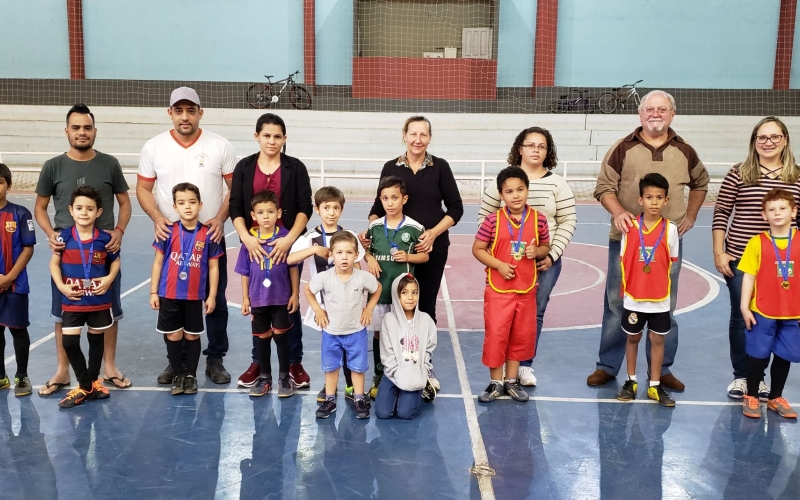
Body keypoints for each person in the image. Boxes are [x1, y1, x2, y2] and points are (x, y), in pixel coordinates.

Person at [589, 90, 710, 390]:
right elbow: (603, 187)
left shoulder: (685, 151)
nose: (655, 114)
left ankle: (662, 368)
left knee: (665, 302)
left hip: (666, 244)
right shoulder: (622, 148)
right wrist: (617, 211)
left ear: (673, 114)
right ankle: (608, 366)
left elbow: (701, 183)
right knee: (618, 303)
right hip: (626, 243)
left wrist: (691, 215)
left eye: (662, 109)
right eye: (649, 109)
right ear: (640, 114)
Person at [137, 87, 236, 385]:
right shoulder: (154, 147)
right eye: (178, 110)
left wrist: (219, 218)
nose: (184, 116)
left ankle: (215, 359)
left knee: (214, 301)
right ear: (170, 113)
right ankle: (176, 363)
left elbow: (235, 190)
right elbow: (143, 188)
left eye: (190, 110)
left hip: (210, 236)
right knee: (174, 302)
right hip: (174, 238)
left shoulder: (220, 146)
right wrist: (157, 217)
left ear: (200, 113)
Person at [35, 103, 132, 396]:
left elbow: (125, 203)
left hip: (103, 254)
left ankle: (110, 367)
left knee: (108, 312)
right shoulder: (53, 166)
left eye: (87, 127)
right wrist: (51, 234)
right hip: (68, 257)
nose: (81, 133)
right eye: (76, 128)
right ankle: (63, 371)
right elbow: (40, 207)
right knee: (63, 313)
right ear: (67, 131)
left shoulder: (109, 164)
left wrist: (118, 232)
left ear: (95, 131)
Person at [364, 115, 464, 389]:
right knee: (390, 309)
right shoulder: (390, 167)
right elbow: (377, 207)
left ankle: (423, 364)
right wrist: (372, 234)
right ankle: (389, 365)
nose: (418, 139)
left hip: (430, 249)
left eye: (423, 134)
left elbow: (456, 208)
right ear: (404, 136)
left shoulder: (440, 167)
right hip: (394, 253)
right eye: (413, 134)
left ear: (429, 138)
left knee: (425, 306)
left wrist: (432, 234)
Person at [477, 126, 577, 387]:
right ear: (520, 148)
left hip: (544, 261)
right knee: (502, 320)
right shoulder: (501, 181)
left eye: (541, 146)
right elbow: (484, 222)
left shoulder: (557, 184)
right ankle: (502, 376)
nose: (536, 149)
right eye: (530, 144)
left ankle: (523, 366)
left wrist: (551, 254)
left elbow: (568, 221)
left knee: (533, 315)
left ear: (548, 151)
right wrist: (496, 260)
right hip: (506, 265)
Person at [712, 116, 800, 400]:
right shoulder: (739, 173)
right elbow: (721, 212)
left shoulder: (797, 176)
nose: (768, 142)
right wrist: (719, 252)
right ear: (754, 142)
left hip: (785, 266)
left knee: (784, 319)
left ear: (785, 140)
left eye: (774, 137)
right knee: (743, 318)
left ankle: (774, 388)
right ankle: (745, 378)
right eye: (762, 137)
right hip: (741, 259)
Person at [229, 113, 313, 389]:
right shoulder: (244, 167)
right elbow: (236, 206)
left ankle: (293, 363)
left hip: (286, 246)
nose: (272, 141)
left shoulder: (295, 168)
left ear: (285, 138)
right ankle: (259, 363)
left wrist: (289, 240)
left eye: (277, 136)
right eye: (266, 135)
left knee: (289, 302)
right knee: (260, 306)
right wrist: (246, 239)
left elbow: (305, 208)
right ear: (257, 137)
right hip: (255, 247)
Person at [472, 167, 550, 403]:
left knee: (520, 335)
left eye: (520, 189)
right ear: (500, 194)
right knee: (497, 335)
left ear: (527, 190)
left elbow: (546, 247)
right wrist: (498, 265)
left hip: (526, 290)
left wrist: (537, 251)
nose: (515, 195)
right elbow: (477, 249)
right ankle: (496, 382)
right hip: (498, 290)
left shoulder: (539, 219)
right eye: (509, 191)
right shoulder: (492, 220)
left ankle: (512, 381)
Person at [287, 186, 365, 402]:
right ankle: (328, 387)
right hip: (326, 307)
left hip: (349, 305)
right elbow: (290, 259)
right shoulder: (311, 237)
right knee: (331, 349)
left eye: (336, 208)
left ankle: (351, 386)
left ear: (341, 210)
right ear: (317, 209)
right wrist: (313, 250)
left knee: (352, 347)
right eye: (326, 207)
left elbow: (358, 268)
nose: (331, 212)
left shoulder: (348, 236)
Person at [149, 183, 223, 396]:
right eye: (182, 203)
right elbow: (157, 262)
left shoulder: (208, 235)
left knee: (191, 336)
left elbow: (213, 267)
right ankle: (178, 374)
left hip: (194, 296)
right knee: (173, 336)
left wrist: (211, 295)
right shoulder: (167, 232)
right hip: (169, 294)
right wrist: (154, 291)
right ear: (174, 207)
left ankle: (190, 375)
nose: (187, 207)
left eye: (192, 202)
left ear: (200, 205)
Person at [50, 186, 119, 408]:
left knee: (96, 342)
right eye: (79, 208)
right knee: (69, 342)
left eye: (89, 209)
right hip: (73, 300)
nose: (84, 212)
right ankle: (87, 385)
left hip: (98, 300)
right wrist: (62, 286)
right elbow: (53, 263)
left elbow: (115, 261)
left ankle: (89, 385)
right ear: (71, 210)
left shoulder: (105, 239)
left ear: (98, 212)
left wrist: (108, 279)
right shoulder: (63, 237)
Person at [615, 173, 680, 407]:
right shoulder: (630, 228)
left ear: (666, 200)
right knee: (633, 337)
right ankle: (630, 380)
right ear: (640, 199)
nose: (654, 202)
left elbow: (672, 260)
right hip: (634, 296)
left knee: (657, 340)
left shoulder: (671, 230)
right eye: (649, 197)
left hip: (659, 298)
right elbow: (623, 258)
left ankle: (654, 384)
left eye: (659, 197)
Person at [364, 176, 428, 399]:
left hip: (403, 296)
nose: (389, 203)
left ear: (404, 199)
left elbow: (425, 256)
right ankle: (380, 375)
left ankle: (406, 373)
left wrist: (408, 256)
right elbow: (367, 250)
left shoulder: (413, 227)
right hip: (379, 294)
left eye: (394, 198)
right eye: (385, 198)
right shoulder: (374, 227)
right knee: (380, 335)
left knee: (403, 334)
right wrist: (369, 258)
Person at [738, 188, 800, 419]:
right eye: (771, 210)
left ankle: (775, 397)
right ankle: (752, 396)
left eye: (782, 208)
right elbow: (749, 276)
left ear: (794, 211)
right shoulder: (757, 243)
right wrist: (745, 306)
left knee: (785, 354)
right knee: (759, 355)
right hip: (762, 309)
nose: (777, 213)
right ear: (764, 215)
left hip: (793, 311)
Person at [307, 231, 381, 420]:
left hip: (356, 332)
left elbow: (377, 287)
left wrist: (369, 308)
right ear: (331, 254)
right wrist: (318, 310)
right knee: (331, 368)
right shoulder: (325, 277)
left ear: (357, 255)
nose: (344, 257)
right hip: (331, 332)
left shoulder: (362, 277)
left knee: (357, 368)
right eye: (339, 252)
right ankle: (330, 400)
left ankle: (358, 398)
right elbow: (307, 289)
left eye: (349, 253)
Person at [235, 190, 299, 398]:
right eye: (260, 212)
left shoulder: (285, 238)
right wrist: (245, 298)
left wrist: (295, 294)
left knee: (281, 337)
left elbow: (293, 268)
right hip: (258, 298)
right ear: (253, 216)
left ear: (278, 213)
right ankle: (264, 377)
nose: (265, 216)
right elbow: (244, 272)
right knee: (262, 339)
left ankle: (284, 377)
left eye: (270, 211)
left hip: (281, 297)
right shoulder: (249, 242)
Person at [375, 274, 437, 420]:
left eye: (414, 292)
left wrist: (422, 370)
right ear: (396, 296)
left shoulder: (426, 321)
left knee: (405, 414)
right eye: (404, 293)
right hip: (393, 373)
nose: (410, 297)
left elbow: (429, 349)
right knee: (382, 413)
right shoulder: (389, 320)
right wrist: (397, 373)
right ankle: (398, 393)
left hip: (415, 373)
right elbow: (386, 352)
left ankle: (421, 387)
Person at [0, 164, 36, 397]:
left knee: (18, 329)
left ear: (9, 185)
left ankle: (22, 376)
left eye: (0, 182)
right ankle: (1, 376)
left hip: (15, 285)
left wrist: (10, 277)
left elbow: (27, 248)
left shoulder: (20, 214)